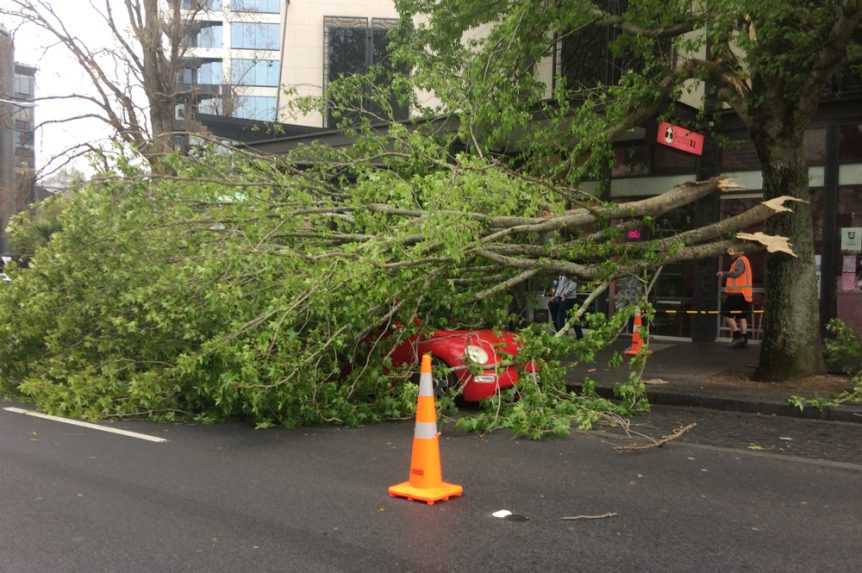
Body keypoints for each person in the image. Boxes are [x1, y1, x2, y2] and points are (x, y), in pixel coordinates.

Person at [717, 247, 753, 348]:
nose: (731, 255)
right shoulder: (745, 260)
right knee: (742, 316)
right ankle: (744, 339)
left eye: (733, 253)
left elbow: (737, 273)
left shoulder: (740, 261)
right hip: (745, 294)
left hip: (737, 293)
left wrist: (724, 273)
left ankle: (737, 336)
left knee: (726, 312)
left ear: (738, 253)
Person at [548, 274, 583, 338]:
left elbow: (573, 285)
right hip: (563, 298)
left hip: (569, 299)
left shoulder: (570, 274)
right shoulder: (561, 275)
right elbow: (560, 287)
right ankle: (577, 336)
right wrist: (555, 296)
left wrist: (565, 294)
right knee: (569, 318)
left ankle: (563, 335)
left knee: (563, 318)